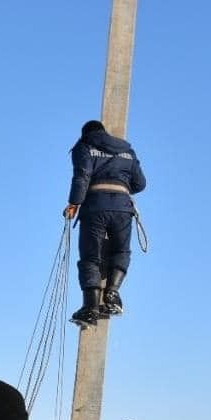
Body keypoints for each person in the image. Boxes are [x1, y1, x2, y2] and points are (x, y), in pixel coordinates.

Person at [63, 120, 146, 326]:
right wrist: (120, 188)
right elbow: (140, 183)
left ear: (85, 134)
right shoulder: (128, 150)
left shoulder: (85, 146)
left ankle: (90, 308)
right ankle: (112, 293)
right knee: (120, 251)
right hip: (123, 208)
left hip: (95, 208)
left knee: (91, 257)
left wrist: (74, 203)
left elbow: (82, 176)